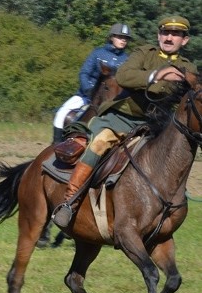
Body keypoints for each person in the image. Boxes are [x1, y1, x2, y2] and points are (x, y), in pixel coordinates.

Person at [52, 15, 197, 229]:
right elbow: (123, 76)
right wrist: (157, 75)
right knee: (99, 143)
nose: (169, 37)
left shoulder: (188, 67)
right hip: (121, 118)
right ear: (158, 36)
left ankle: (171, 202)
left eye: (176, 34)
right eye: (165, 33)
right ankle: (69, 202)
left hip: (156, 126)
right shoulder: (143, 53)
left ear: (184, 41)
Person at [52, 23, 132, 144]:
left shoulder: (127, 59)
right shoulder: (98, 53)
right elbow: (84, 73)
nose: (123, 40)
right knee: (61, 114)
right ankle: (56, 144)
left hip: (114, 102)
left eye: (126, 38)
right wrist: (89, 90)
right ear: (111, 37)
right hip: (87, 96)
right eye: (120, 37)